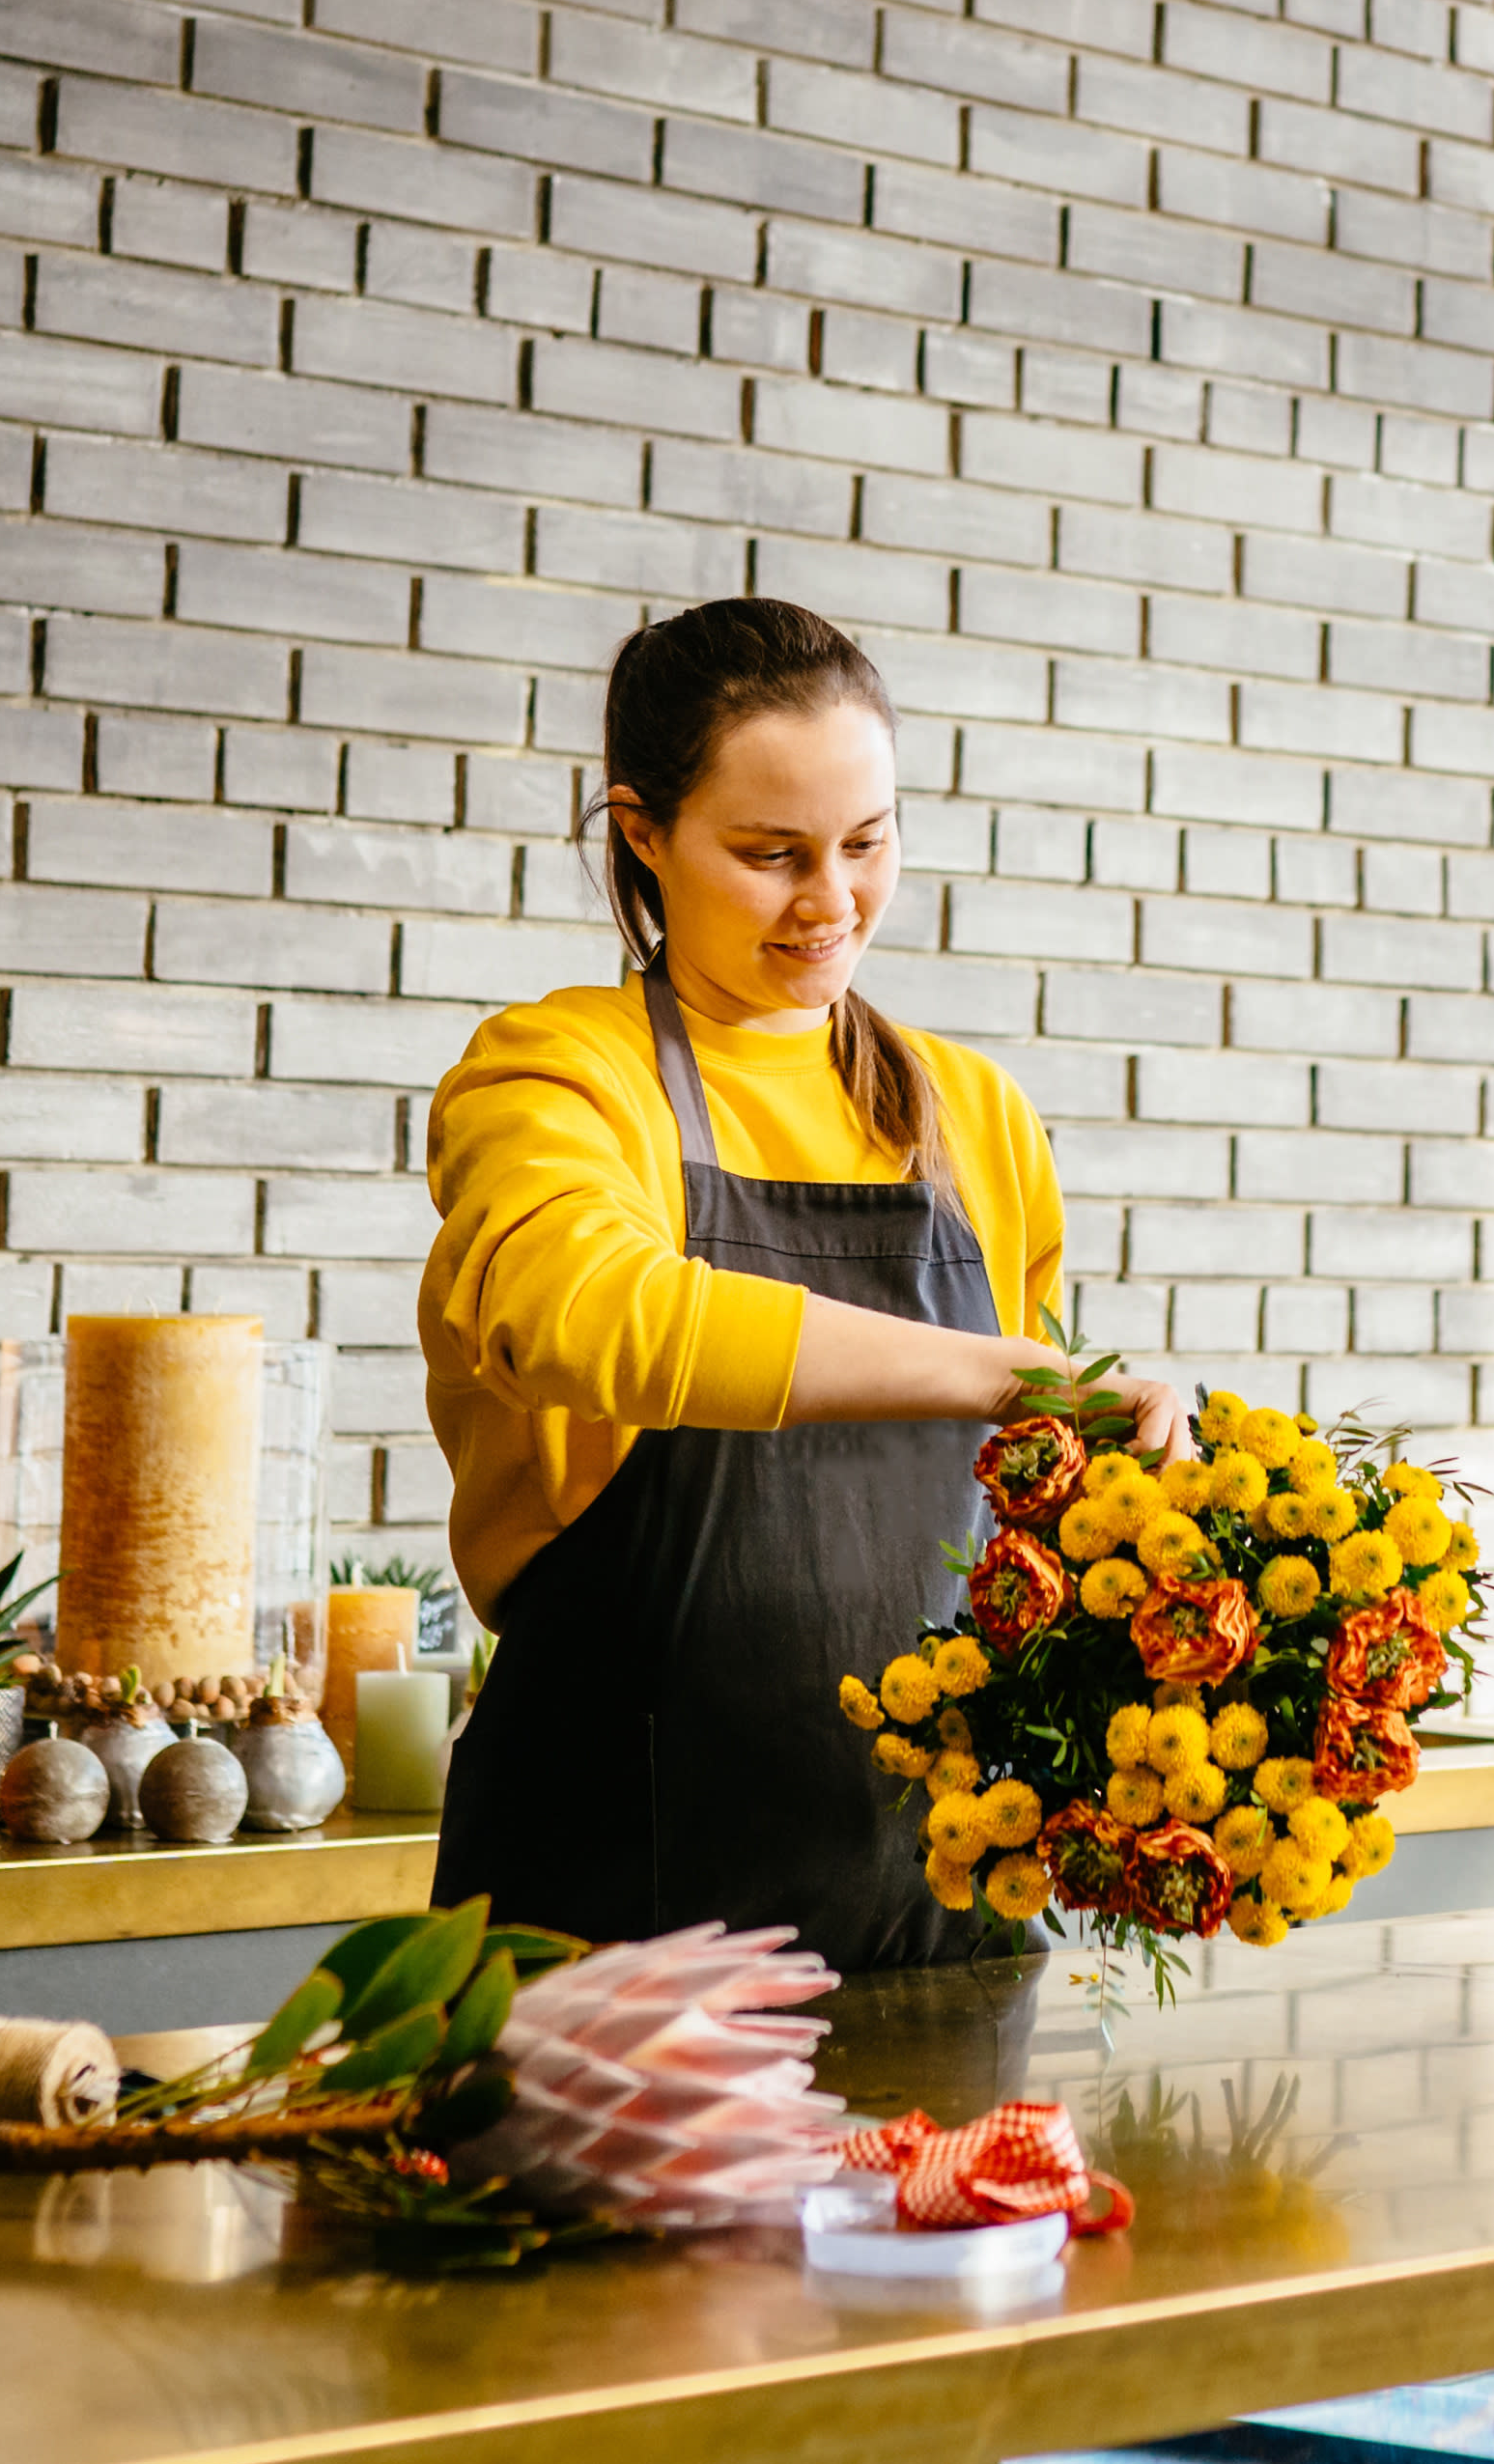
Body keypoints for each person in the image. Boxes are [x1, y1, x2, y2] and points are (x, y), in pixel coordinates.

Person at [422, 593, 1167, 1970]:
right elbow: (579, 1313)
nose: (833, 903)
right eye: (771, 856)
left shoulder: (974, 1114)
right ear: (641, 834)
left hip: (942, 1902)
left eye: (867, 844)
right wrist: (988, 1368)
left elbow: (1029, 1506)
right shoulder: (558, 1074)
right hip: (617, 1920)